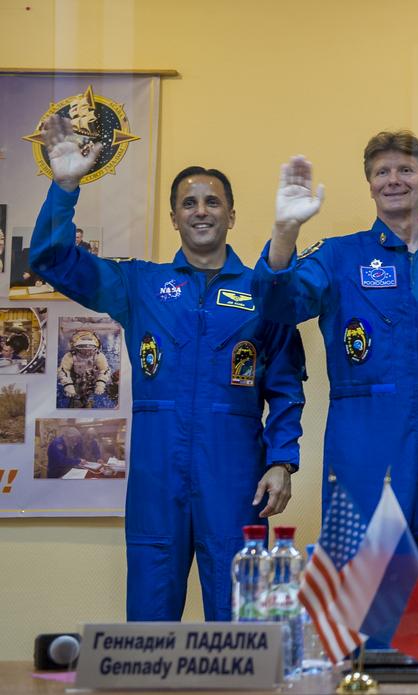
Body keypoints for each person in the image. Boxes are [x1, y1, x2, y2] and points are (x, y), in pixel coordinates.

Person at [30, 115, 305, 621]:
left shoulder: (264, 290)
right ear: (174, 217)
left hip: (236, 468)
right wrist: (65, 186)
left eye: (212, 201)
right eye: (189, 203)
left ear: (231, 215)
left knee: (244, 616)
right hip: (159, 465)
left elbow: (286, 387)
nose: (201, 211)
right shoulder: (139, 286)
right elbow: (50, 260)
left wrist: (282, 461)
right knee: (151, 616)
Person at [258, 132, 418, 608]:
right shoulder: (337, 256)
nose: (394, 180)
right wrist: (285, 233)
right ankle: (358, 678)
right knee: (360, 567)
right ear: (369, 185)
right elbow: (279, 305)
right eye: (381, 172)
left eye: (406, 170)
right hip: (362, 432)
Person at [56, 329, 112, 408]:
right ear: (75, 348)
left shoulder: (99, 356)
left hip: (92, 379)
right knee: (75, 400)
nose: (86, 352)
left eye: (90, 349)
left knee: (90, 399)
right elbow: (63, 370)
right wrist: (68, 384)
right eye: (82, 349)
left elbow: (105, 370)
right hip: (75, 379)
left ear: (95, 348)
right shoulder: (70, 356)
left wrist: (101, 383)